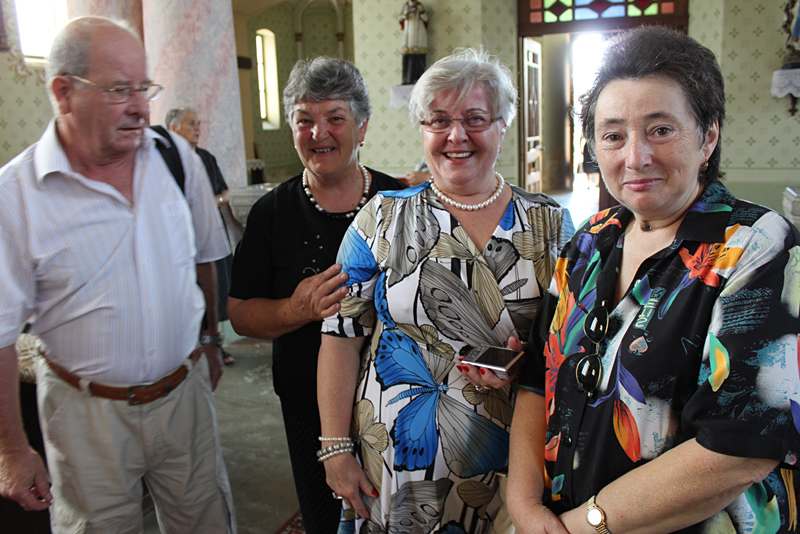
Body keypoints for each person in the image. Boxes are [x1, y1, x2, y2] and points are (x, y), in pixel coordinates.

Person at [507, 26, 800, 534]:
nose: (635, 156)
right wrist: (525, 506)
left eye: (661, 130)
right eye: (613, 135)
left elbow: (741, 447)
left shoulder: (759, 249)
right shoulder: (590, 240)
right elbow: (537, 376)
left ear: (708, 136)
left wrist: (584, 525)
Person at [317, 48, 574, 533]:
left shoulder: (550, 225)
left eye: (474, 119)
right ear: (422, 129)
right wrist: (335, 449)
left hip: (513, 459)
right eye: (439, 120)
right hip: (396, 459)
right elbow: (340, 338)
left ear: (502, 126)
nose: (456, 136)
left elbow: (572, 346)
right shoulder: (380, 219)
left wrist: (528, 365)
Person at [0, 17, 236, 533]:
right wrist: (12, 450)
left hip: (184, 398)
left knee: (206, 519)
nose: (139, 107)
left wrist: (211, 340)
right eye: (117, 90)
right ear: (63, 93)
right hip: (84, 415)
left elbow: (204, 257)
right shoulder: (15, 196)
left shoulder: (175, 158)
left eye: (143, 88)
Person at [227, 56, 406, 534]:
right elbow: (240, 314)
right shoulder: (272, 214)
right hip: (308, 402)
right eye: (304, 119)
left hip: (396, 403)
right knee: (327, 518)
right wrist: (296, 309)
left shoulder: (398, 204)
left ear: (362, 126)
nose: (318, 133)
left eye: (335, 118)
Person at [167, 105, 240, 365]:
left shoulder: (206, 158)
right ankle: (189, 348)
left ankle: (214, 347)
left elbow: (224, 192)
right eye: (191, 123)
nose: (197, 128)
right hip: (179, 237)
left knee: (215, 288)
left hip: (208, 231)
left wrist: (206, 203)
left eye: (198, 123)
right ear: (173, 128)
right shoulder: (164, 161)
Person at [398, 0, 429, 84]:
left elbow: (426, 18)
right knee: (407, 54)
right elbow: (400, 18)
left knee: (418, 55)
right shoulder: (406, 6)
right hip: (408, 33)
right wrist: (404, 15)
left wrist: (420, 11)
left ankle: (418, 78)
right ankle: (407, 79)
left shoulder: (420, 6)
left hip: (418, 33)